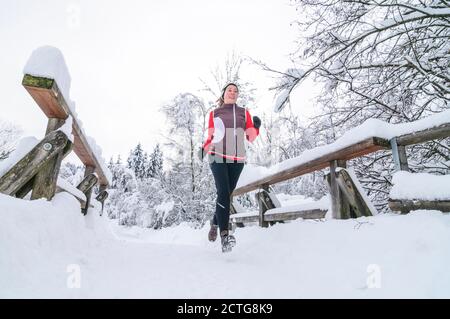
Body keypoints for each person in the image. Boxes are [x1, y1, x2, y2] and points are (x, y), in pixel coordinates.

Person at [199, 83, 261, 252]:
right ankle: (225, 235)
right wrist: (204, 149)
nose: (233, 93)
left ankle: (215, 223)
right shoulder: (214, 113)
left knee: (226, 193)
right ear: (224, 94)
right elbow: (211, 136)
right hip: (217, 155)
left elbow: (251, 137)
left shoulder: (244, 113)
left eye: (235, 91)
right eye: (229, 90)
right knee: (223, 192)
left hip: (238, 159)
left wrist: (256, 126)